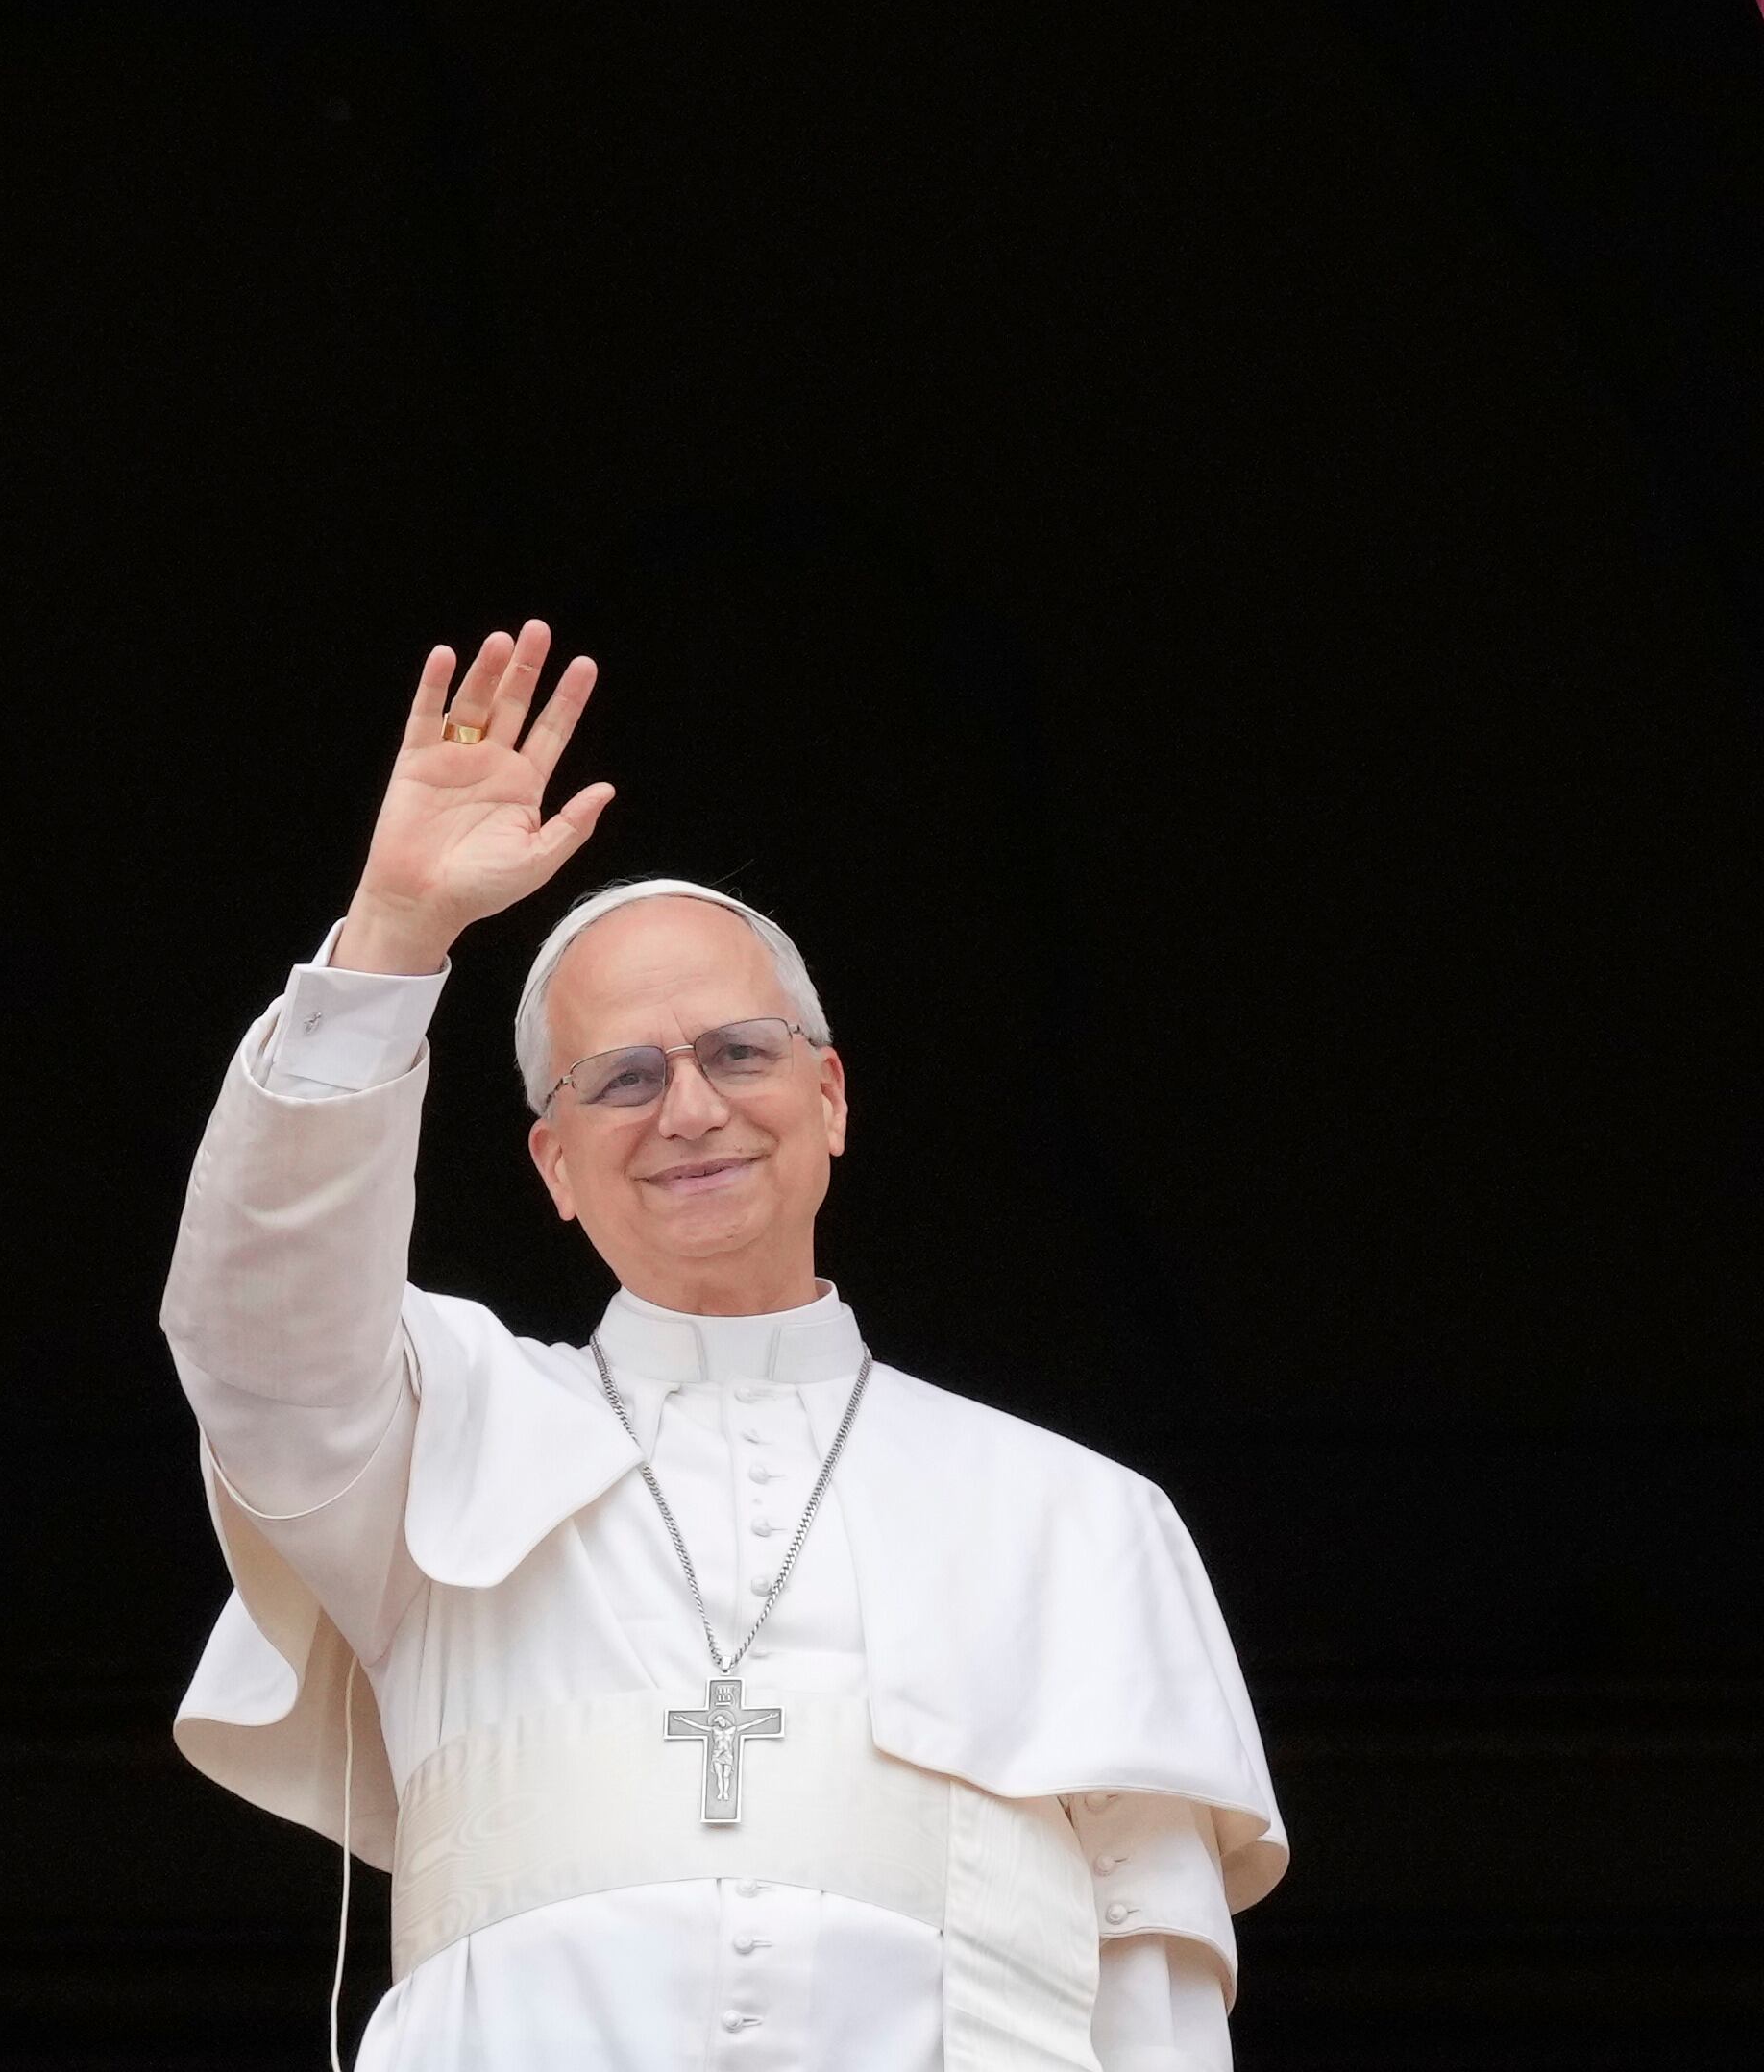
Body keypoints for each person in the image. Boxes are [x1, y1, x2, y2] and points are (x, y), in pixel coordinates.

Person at [165, 622, 1284, 2070]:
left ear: (830, 1098)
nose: (689, 1109)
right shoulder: (435, 1432)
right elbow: (255, 1327)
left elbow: (1156, 2000)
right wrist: (392, 934)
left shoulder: (1082, 1521)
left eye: (738, 1054)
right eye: (622, 1078)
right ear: (554, 1167)